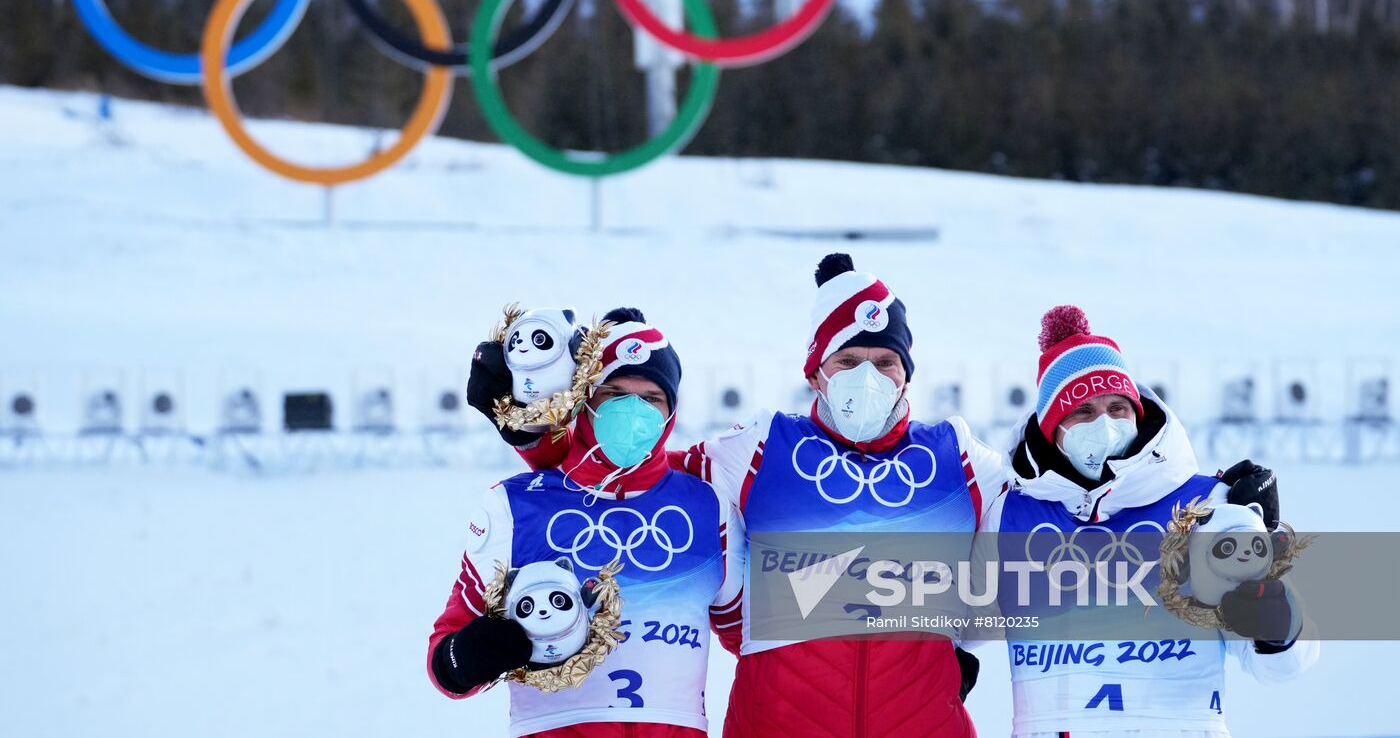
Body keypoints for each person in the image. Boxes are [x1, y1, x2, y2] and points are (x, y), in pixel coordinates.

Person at [478, 254, 1009, 737]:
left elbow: (1037, 543)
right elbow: (632, 471)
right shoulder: (762, 446)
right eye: (848, 362)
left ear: (906, 374)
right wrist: (535, 440)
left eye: (885, 362)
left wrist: (960, 645)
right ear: (817, 372)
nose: (867, 376)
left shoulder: (956, 456)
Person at [974, 304, 1317, 737]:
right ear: (1052, 430)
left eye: (1118, 407)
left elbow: (1284, 666)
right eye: (1082, 411)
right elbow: (958, 628)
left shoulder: (1203, 505)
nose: (1105, 422)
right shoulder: (1009, 514)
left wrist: (1277, 625)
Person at [431, 307, 745, 737]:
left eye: (651, 398)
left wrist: (860, 596)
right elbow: (446, 650)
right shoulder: (515, 505)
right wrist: (465, 659)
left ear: (671, 410)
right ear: (583, 400)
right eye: (614, 393)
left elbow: (760, 637)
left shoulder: (708, 509)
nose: (632, 411)